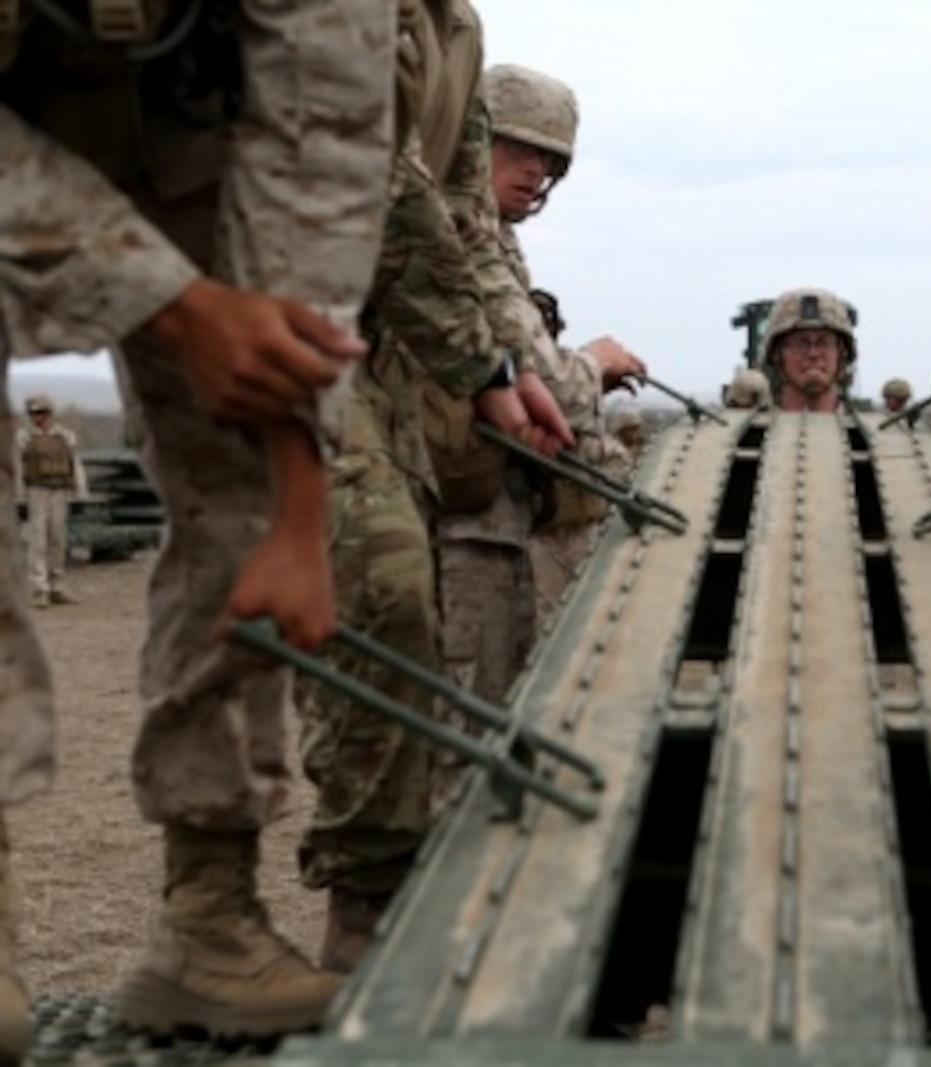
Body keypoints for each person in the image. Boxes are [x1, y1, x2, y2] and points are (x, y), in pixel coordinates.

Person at [0, 0, 396, 1047]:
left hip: (174, 121)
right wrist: (171, 302)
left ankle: (207, 914)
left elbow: (322, 153)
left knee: (241, 483)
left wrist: (295, 516)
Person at [298, 2, 573, 976]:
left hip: (380, 350)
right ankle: (358, 889)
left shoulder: (456, 30)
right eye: (529, 151)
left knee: (393, 603)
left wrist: (510, 362)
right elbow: (382, 179)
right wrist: (488, 369)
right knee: (381, 585)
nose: (538, 173)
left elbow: (460, 226)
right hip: (278, 314)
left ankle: (376, 879)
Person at [477, 63, 645, 639]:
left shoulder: (492, 237)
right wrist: (596, 363)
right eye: (519, 148)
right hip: (463, 524)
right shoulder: (464, 236)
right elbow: (552, 387)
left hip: (490, 514)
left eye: (550, 161)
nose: (535, 170)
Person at [15, 393, 86, 608]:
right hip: (36, 490)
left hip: (60, 490)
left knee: (57, 538)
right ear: (29, 415)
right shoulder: (23, 437)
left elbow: (75, 463)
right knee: (38, 540)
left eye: (44, 412)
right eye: (36, 413)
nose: (40, 417)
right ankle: (39, 589)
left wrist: (80, 491)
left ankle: (57, 586)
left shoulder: (65, 436)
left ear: (51, 412)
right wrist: (19, 498)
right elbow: (19, 468)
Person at [764, 288, 857, 414]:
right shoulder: (747, 430)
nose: (813, 354)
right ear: (777, 354)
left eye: (824, 343)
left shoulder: (873, 431)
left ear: (842, 354)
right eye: (800, 344)